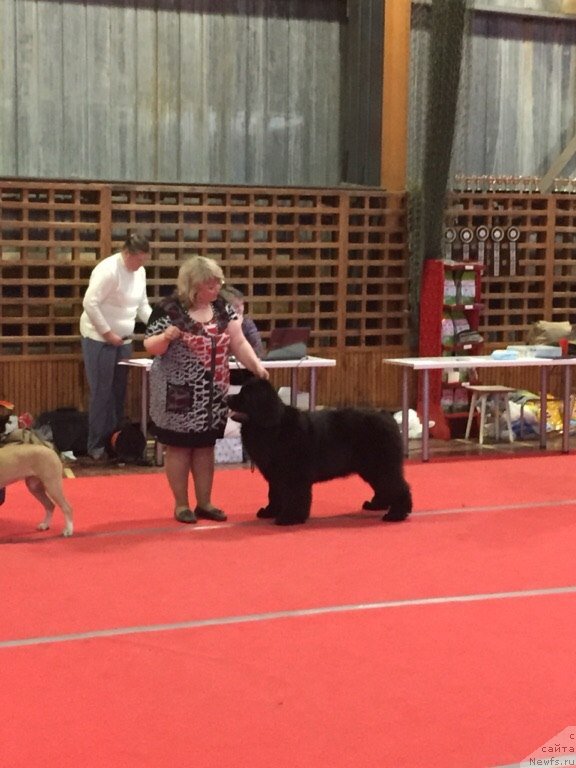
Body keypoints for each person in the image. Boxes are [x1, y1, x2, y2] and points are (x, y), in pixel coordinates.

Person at [144, 256, 268, 524]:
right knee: (178, 447)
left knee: (205, 446)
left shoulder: (223, 308)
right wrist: (166, 337)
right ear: (193, 286)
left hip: (213, 392)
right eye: (210, 286)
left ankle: (205, 502)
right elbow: (150, 346)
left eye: (217, 284)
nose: (216, 290)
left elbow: (239, 341)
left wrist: (257, 366)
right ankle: (181, 505)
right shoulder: (168, 309)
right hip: (177, 390)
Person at [80, 233, 153, 461]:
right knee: (101, 393)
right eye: (138, 259)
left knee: (119, 392)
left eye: (144, 260)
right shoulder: (108, 270)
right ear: (127, 254)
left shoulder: (139, 272)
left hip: (124, 339)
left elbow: (142, 305)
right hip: (98, 338)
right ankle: (95, 445)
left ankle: (114, 440)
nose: (141, 265)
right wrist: (107, 333)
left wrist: (157, 325)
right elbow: (89, 303)